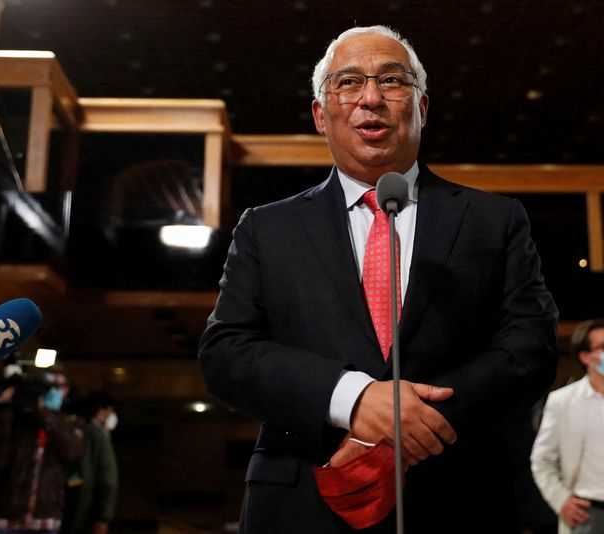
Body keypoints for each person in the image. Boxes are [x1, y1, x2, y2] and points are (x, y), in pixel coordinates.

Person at [198, 25, 558, 533]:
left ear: (422, 107)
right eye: (348, 83)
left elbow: (531, 347)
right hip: (304, 497)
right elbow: (226, 353)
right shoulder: (266, 228)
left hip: (457, 495)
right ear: (321, 115)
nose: (371, 98)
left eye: (393, 81)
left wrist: (410, 420)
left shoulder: (492, 220)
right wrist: (354, 398)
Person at [0, 371, 82, 534]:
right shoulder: (16, 420)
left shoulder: (68, 423)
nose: (55, 392)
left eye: (59, 387)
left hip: (45, 518)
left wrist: (43, 413)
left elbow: (71, 452)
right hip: (7, 516)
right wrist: (2, 408)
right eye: (50, 388)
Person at [531, 319, 604, 534]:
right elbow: (541, 460)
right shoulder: (563, 401)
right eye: (602, 347)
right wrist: (562, 500)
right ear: (585, 356)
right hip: (589, 512)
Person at [64, 391, 119, 534]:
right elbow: (108, 478)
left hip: (79, 506)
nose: (112, 415)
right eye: (111, 411)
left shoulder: (85, 432)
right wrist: (103, 516)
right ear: (102, 411)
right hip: (88, 510)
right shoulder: (98, 435)